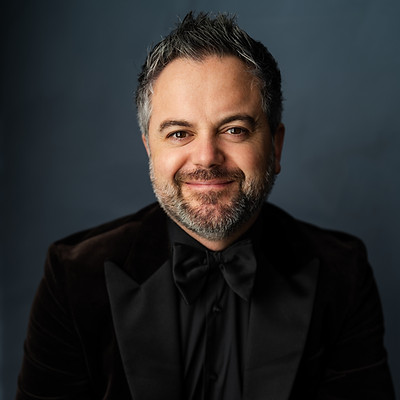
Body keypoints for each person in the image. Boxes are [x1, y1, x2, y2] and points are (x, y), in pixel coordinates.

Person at [16, 12, 395, 400]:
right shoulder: (73, 275)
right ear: (150, 149)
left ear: (275, 146)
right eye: (179, 133)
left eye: (234, 130)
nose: (206, 157)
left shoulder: (342, 274)